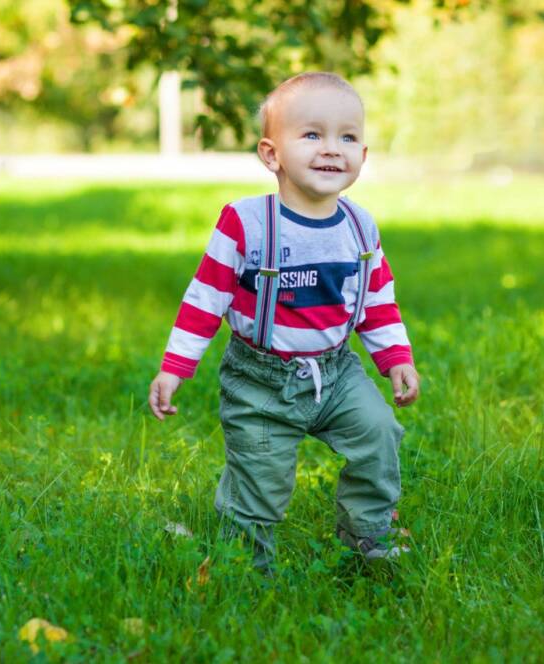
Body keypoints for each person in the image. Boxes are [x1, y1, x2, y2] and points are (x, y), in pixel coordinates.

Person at [148, 72, 420, 572]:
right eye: (312, 135)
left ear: (364, 155)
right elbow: (205, 299)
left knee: (379, 432)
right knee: (261, 480)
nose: (331, 149)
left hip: (336, 373)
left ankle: (368, 535)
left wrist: (395, 356)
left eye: (348, 137)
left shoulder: (360, 226)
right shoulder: (247, 222)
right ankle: (246, 565)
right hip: (261, 382)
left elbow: (376, 299)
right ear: (272, 155)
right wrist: (175, 367)